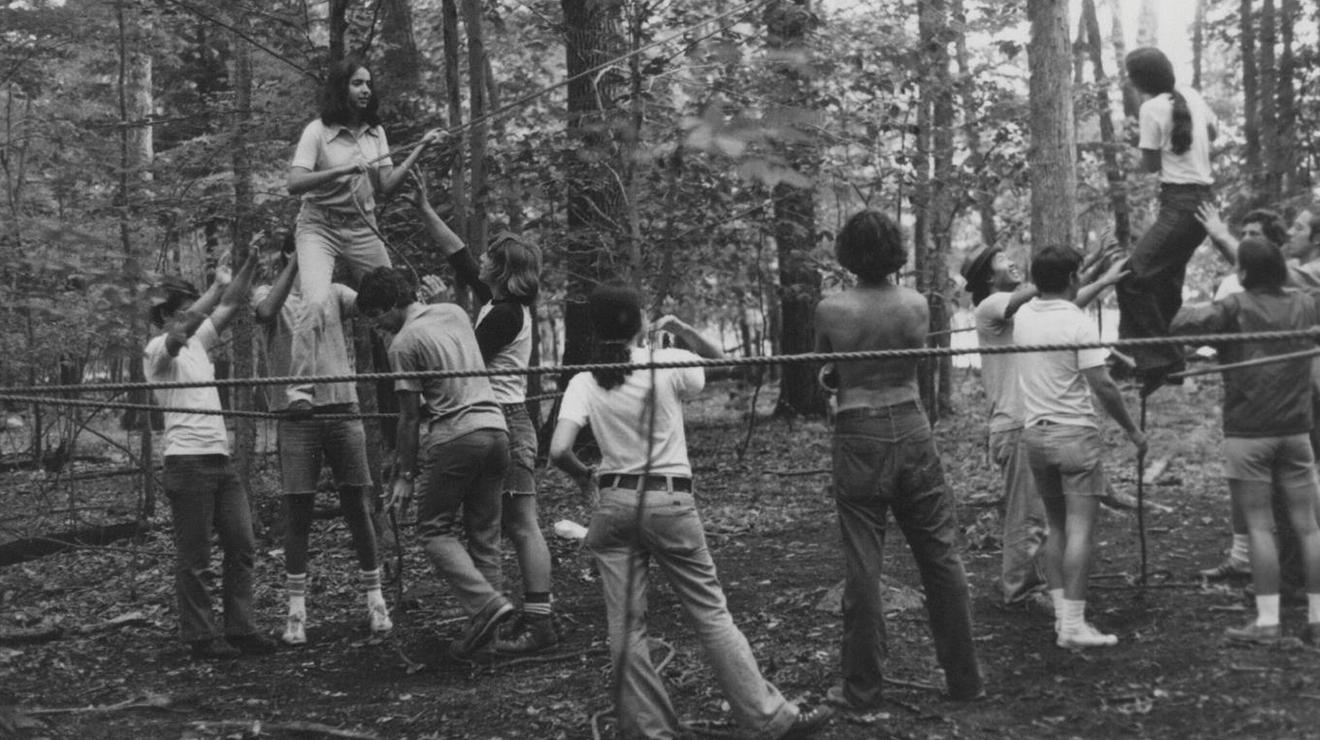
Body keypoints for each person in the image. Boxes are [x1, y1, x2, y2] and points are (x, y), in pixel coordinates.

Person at [549, 282, 832, 740]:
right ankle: (768, 720)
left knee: (625, 626)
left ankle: (646, 732)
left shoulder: (585, 380)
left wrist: (586, 477)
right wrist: (681, 328)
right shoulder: (668, 361)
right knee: (710, 614)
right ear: (640, 319)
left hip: (615, 504)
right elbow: (730, 365)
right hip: (670, 501)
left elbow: (560, 448)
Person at [814, 210, 983, 708]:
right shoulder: (916, 305)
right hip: (912, 425)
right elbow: (905, 362)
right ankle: (966, 680)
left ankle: (862, 688)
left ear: (847, 251)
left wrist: (834, 379)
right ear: (895, 251)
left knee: (863, 565)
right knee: (940, 555)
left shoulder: (831, 309)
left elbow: (823, 371)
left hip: (859, 429)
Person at [413, 177, 556, 654]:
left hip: (509, 422)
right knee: (496, 526)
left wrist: (435, 311)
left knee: (520, 523)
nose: (483, 262)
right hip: (497, 421)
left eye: (491, 258)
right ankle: (494, 621)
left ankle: (538, 622)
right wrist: (425, 207)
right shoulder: (498, 303)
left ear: (504, 269)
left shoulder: (506, 314)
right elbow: (459, 257)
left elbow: (463, 359)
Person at [961, 242, 1128, 611]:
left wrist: (1100, 277)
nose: (1012, 263)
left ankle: (1034, 585)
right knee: (1027, 517)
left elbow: (1063, 305)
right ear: (989, 276)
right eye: (1003, 261)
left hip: (1029, 423)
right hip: (1015, 424)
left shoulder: (1028, 310)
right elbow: (1052, 292)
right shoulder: (992, 305)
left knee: (1039, 514)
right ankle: (1019, 590)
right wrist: (1057, 274)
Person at [356, 267, 513, 658]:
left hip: (457, 436)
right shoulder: (454, 313)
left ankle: (486, 605)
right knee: (484, 534)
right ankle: (487, 640)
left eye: (376, 316)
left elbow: (409, 418)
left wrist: (405, 475)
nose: (376, 326)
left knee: (431, 529)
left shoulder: (403, 344)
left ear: (393, 304)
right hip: (497, 430)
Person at [1171, 237, 1320, 644]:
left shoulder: (1234, 306)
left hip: (1249, 435)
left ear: (1243, 273)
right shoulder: (1306, 303)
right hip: (1296, 433)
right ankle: (1317, 621)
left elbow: (1180, 324)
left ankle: (1269, 623)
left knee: (1259, 528)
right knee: (1309, 528)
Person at [251, 238, 391, 646]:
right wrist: (297, 263)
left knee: (357, 507)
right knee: (298, 511)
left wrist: (350, 247)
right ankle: (296, 613)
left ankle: (376, 600)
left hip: (342, 410)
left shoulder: (334, 293)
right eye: (295, 250)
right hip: (296, 419)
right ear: (284, 255)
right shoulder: (268, 292)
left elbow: (370, 303)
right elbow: (264, 312)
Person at [285, 57, 443, 413]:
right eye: (357, 83)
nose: (365, 90)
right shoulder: (318, 131)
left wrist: (420, 147)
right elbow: (294, 183)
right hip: (318, 226)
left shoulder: (375, 133)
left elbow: (385, 185)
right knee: (314, 301)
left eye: (368, 83)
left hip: (361, 225)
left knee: (401, 298)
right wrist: (340, 170)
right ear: (342, 88)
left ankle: (426, 386)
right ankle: (300, 392)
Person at [143, 253, 277, 660]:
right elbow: (187, 325)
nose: (194, 314)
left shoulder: (200, 342)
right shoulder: (157, 351)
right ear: (169, 315)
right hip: (186, 462)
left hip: (220, 460)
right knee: (195, 555)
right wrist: (214, 288)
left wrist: (250, 262)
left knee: (242, 545)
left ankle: (240, 628)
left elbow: (232, 305)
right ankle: (200, 636)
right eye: (185, 309)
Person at [1014, 245, 1148, 649]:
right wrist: (1133, 432)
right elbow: (1103, 384)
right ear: (1073, 278)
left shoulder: (1022, 316)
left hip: (1035, 436)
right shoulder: (1078, 324)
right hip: (1074, 438)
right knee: (1081, 531)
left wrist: (1104, 282)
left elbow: (1062, 306)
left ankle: (1063, 618)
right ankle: (1072, 627)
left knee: (1057, 527)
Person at [1198, 204, 1320, 594]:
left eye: (1300, 227)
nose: (1294, 232)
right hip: (1288, 401)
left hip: (1299, 400)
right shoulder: (1290, 284)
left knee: (1291, 509)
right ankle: (1289, 581)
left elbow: (1267, 275)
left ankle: (1285, 588)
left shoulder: (1311, 275)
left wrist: (1220, 234)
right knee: (1291, 507)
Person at [1117, 47, 1218, 396]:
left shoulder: (1150, 108)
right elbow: (1214, 133)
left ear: (1139, 81)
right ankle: (1170, 367)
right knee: (1163, 284)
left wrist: (1160, 142)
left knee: (1131, 278)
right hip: (1201, 202)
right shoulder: (1191, 95)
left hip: (1181, 203)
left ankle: (1161, 362)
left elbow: (1150, 166)